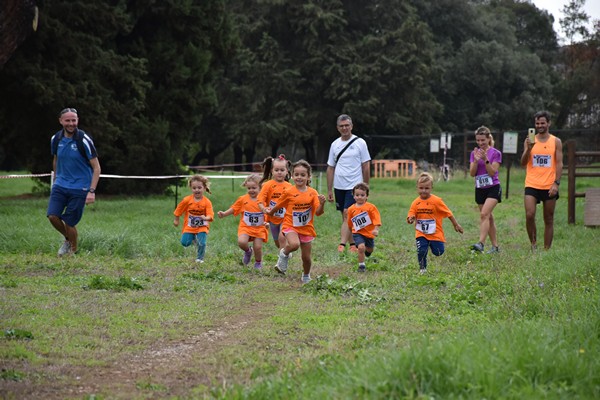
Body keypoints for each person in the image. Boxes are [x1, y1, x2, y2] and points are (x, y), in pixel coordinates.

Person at [47, 107, 101, 256]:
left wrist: (91, 191)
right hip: (60, 184)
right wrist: (56, 178)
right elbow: (56, 159)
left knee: (70, 222)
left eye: (74, 120)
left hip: (80, 187)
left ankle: (73, 252)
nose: (71, 123)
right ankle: (68, 239)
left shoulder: (83, 139)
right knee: (52, 216)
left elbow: (96, 168)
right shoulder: (56, 139)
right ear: (60, 121)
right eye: (68, 120)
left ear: (77, 121)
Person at [268, 160, 326, 284]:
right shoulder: (289, 192)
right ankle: (284, 253)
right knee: (294, 244)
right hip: (290, 225)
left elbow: (318, 213)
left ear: (309, 177)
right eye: (297, 174)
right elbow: (279, 205)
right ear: (292, 175)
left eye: (303, 175)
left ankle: (306, 276)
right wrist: (270, 212)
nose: (299, 177)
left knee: (306, 257)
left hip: (306, 228)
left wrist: (321, 204)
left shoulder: (312, 193)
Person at [326, 114, 371, 253]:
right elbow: (330, 167)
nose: (344, 128)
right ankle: (354, 244)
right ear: (337, 128)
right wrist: (329, 189)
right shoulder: (335, 144)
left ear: (351, 126)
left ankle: (342, 244)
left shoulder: (360, 143)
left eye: (347, 125)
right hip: (339, 186)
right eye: (341, 126)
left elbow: (366, 165)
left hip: (354, 186)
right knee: (345, 215)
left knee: (347, 213)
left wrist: (365, 186)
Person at [520, 110, 563, 250]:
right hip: (532, 183)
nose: (540, 125)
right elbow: (523, 162)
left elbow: (559, 163)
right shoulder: (529, 140)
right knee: (529, 214)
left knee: (548, 218)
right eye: (537, 123)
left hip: (549, 184)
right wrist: (529, 149)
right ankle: (533, 244)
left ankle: (546, 250)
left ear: (548, 123)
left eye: (542, 123)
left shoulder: (556, 141)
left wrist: (556, 183)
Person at [406, 172, 463, 274]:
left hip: (435, 233)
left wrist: (456, 224)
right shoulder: (415, 202)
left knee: (438, 252)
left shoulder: (436, 201)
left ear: (432, 187)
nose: (423, 191)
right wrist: (410, 219)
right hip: (421, 232)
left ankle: (431, 245)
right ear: (417, 187)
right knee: (421, 251)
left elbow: (448, 213)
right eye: (421, 188)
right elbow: (411, 213)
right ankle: (422, 269)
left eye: (427, 188)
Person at [218, 174, 269, 269]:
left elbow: (268, 212)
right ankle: (248, 251)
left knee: (258, 247)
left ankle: (258, 263)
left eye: (254, 188)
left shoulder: (264, 200)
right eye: (249, 188)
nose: (251, 190)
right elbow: (234, 208)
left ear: (260, 187)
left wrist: (267, 222)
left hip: (259, 228)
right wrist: (224, 214)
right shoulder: (243, 199)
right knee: (241, 242)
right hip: (245, 227)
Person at [469, 126, 502, 254]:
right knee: (488, 217)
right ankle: (495, 247)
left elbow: (493, 172)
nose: (480, 143)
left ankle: (481, 243)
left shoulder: (495, 153)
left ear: (488, 139)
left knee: (484, 214)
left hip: (493, 187)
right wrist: (476, 161)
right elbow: (472, 174)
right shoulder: (474, 154)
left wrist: (485, 159)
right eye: (478, 140)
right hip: (480, 188)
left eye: (483, 140)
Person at [173, 175, 214, 263]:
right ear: (191, 188)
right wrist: (176, 219)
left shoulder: (207, 202)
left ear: (204, 188)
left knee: (202, 243)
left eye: (199, 187)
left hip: (202, 226)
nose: (197, 190)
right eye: (194, 188)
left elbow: (210, 214)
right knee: (185, 243)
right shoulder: (187, 200)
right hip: (189, 226)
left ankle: (200, 258)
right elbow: (179, 209)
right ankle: (194, 239)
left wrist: (206, 218)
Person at [258, 154, 292, 251]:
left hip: (286, 218)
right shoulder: (267, 185)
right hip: (272, 218)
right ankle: (286, 252)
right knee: (278, 242)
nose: (279, 173)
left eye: (282, 170)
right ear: (272, 171)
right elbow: (260, 199)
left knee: (282, 238)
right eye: (276, 170)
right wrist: (263, 209)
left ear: (287, 172)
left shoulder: (289, 186)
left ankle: (281, 261)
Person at [346, 182, 381, 272]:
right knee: (361, 247)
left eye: (362, 195)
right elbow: (349, 221)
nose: (359, 197)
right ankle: (361, 266)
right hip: (358, 233)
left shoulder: (371, 207)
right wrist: (351, 229)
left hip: (369, 233)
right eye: (357, 195)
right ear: (353, 196)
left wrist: (376, 229)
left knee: (369, 250)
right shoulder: (351, 209)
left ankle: (367, 253)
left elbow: (376, 218)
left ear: (367, 196)